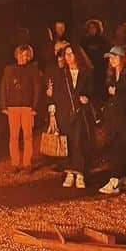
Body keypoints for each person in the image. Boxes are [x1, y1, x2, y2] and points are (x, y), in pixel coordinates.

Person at [47, 43, 95, 189]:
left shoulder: (87, 72)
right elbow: (55, 95)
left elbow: (93, 91)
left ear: (77, 55)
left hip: (81, 113)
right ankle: (69, 172)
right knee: (66, 141)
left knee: (79, 141)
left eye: (71, 53)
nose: (68, 57)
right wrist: (52, 112)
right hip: (64, 112)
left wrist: (87, 98)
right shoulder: (61, 73)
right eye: (66, 54)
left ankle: (80, 173)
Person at [99, 46, 126, 193]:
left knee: (119, 146)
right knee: (115, 145)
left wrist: (119, 90)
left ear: (122, 58)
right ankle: (123, 178)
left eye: (114, 57)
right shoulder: (112, 75)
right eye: (110, 58)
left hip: (125, 117)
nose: (112, 60)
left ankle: (116, 178)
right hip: (114, 116)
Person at [0, 42, 41, 172]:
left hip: (27, 107)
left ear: (29, 56)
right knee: (13, 136)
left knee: (28, 136)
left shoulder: (33, 70)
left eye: (25, 55)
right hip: (13, 107)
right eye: (20, 54)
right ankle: (15, 163)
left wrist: (35, 107)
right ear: (16, 55)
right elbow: (3, 88)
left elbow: (37, 89)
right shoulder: (9, 69)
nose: (22, 57)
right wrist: (4, 105)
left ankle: (27, 162)